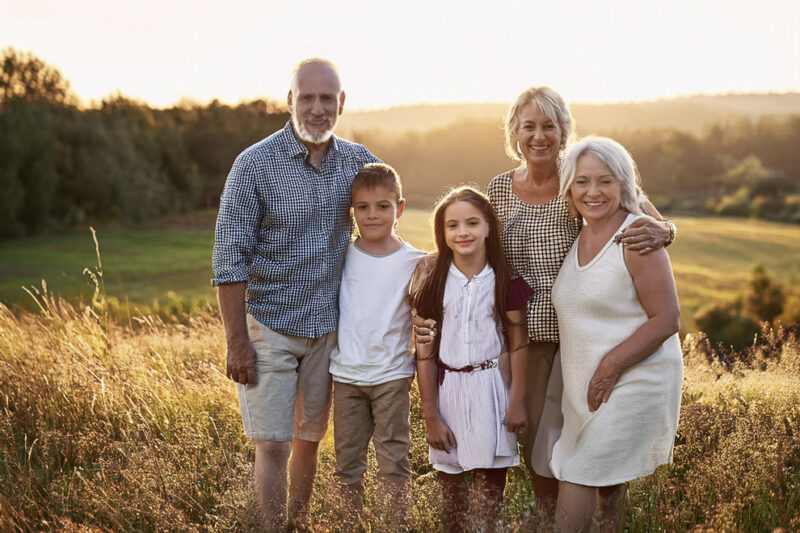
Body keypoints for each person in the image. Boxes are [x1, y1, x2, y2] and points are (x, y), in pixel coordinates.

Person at [415, 86, 676, 518]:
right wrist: (430, 262)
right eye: (528, 126)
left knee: (598, 433)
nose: (539, 136)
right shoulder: (500, 187)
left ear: (564, 132)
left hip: (585, 334)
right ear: (513, 132)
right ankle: (547, 518)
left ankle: (605, 522)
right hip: (525, 335)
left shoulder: (579, 178)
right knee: (542, 438)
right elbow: (470, 238)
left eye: (549, 126)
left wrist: (667, 231)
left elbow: (643, 213)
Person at [211, 58, 378, 531]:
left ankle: (297, 525)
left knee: (309, 439)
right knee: (273, 443)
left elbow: (380, 226)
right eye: (307, 97)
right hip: (270, 327)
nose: (318, 108)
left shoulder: (358, 162)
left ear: (341, 102)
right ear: (289, 101)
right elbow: (228, 260)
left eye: (328, 98)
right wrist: (236, 341)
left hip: (327, 331)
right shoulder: (254, 165)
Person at [550, 136, 682, 532]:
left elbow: (667, 318)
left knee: (580, 469)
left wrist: (609, 367)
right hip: (586, 385)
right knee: (607, 488)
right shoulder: (580, 229)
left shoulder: (638, 235)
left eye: (605, 181)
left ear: (624, 185)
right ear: (569, 188)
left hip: (634, 377)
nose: (593, 192)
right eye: (582, 181)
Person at [411, 186, 531, 532]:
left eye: (472, 223)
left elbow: (519, 345)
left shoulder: (504, 281)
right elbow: (426, 355)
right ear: (442, 232)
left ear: (489, 227)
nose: (462, 232)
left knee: (489, 494)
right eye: (452, 225)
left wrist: (518, 401)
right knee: (453, 498)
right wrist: (431, 415)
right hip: (448, 392)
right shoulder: (433, 282)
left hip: (491, 389)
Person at [328, 163, 424, 527]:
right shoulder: (342, 256)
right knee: (347, 463)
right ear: (352, 210)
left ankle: (394, 525)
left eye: (383, 206)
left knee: (393, 459)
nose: (372, 215)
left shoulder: (415, 262)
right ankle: (346, 524)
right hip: (347, 376)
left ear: (399, 208)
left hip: (392, 377)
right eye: (363, 207)